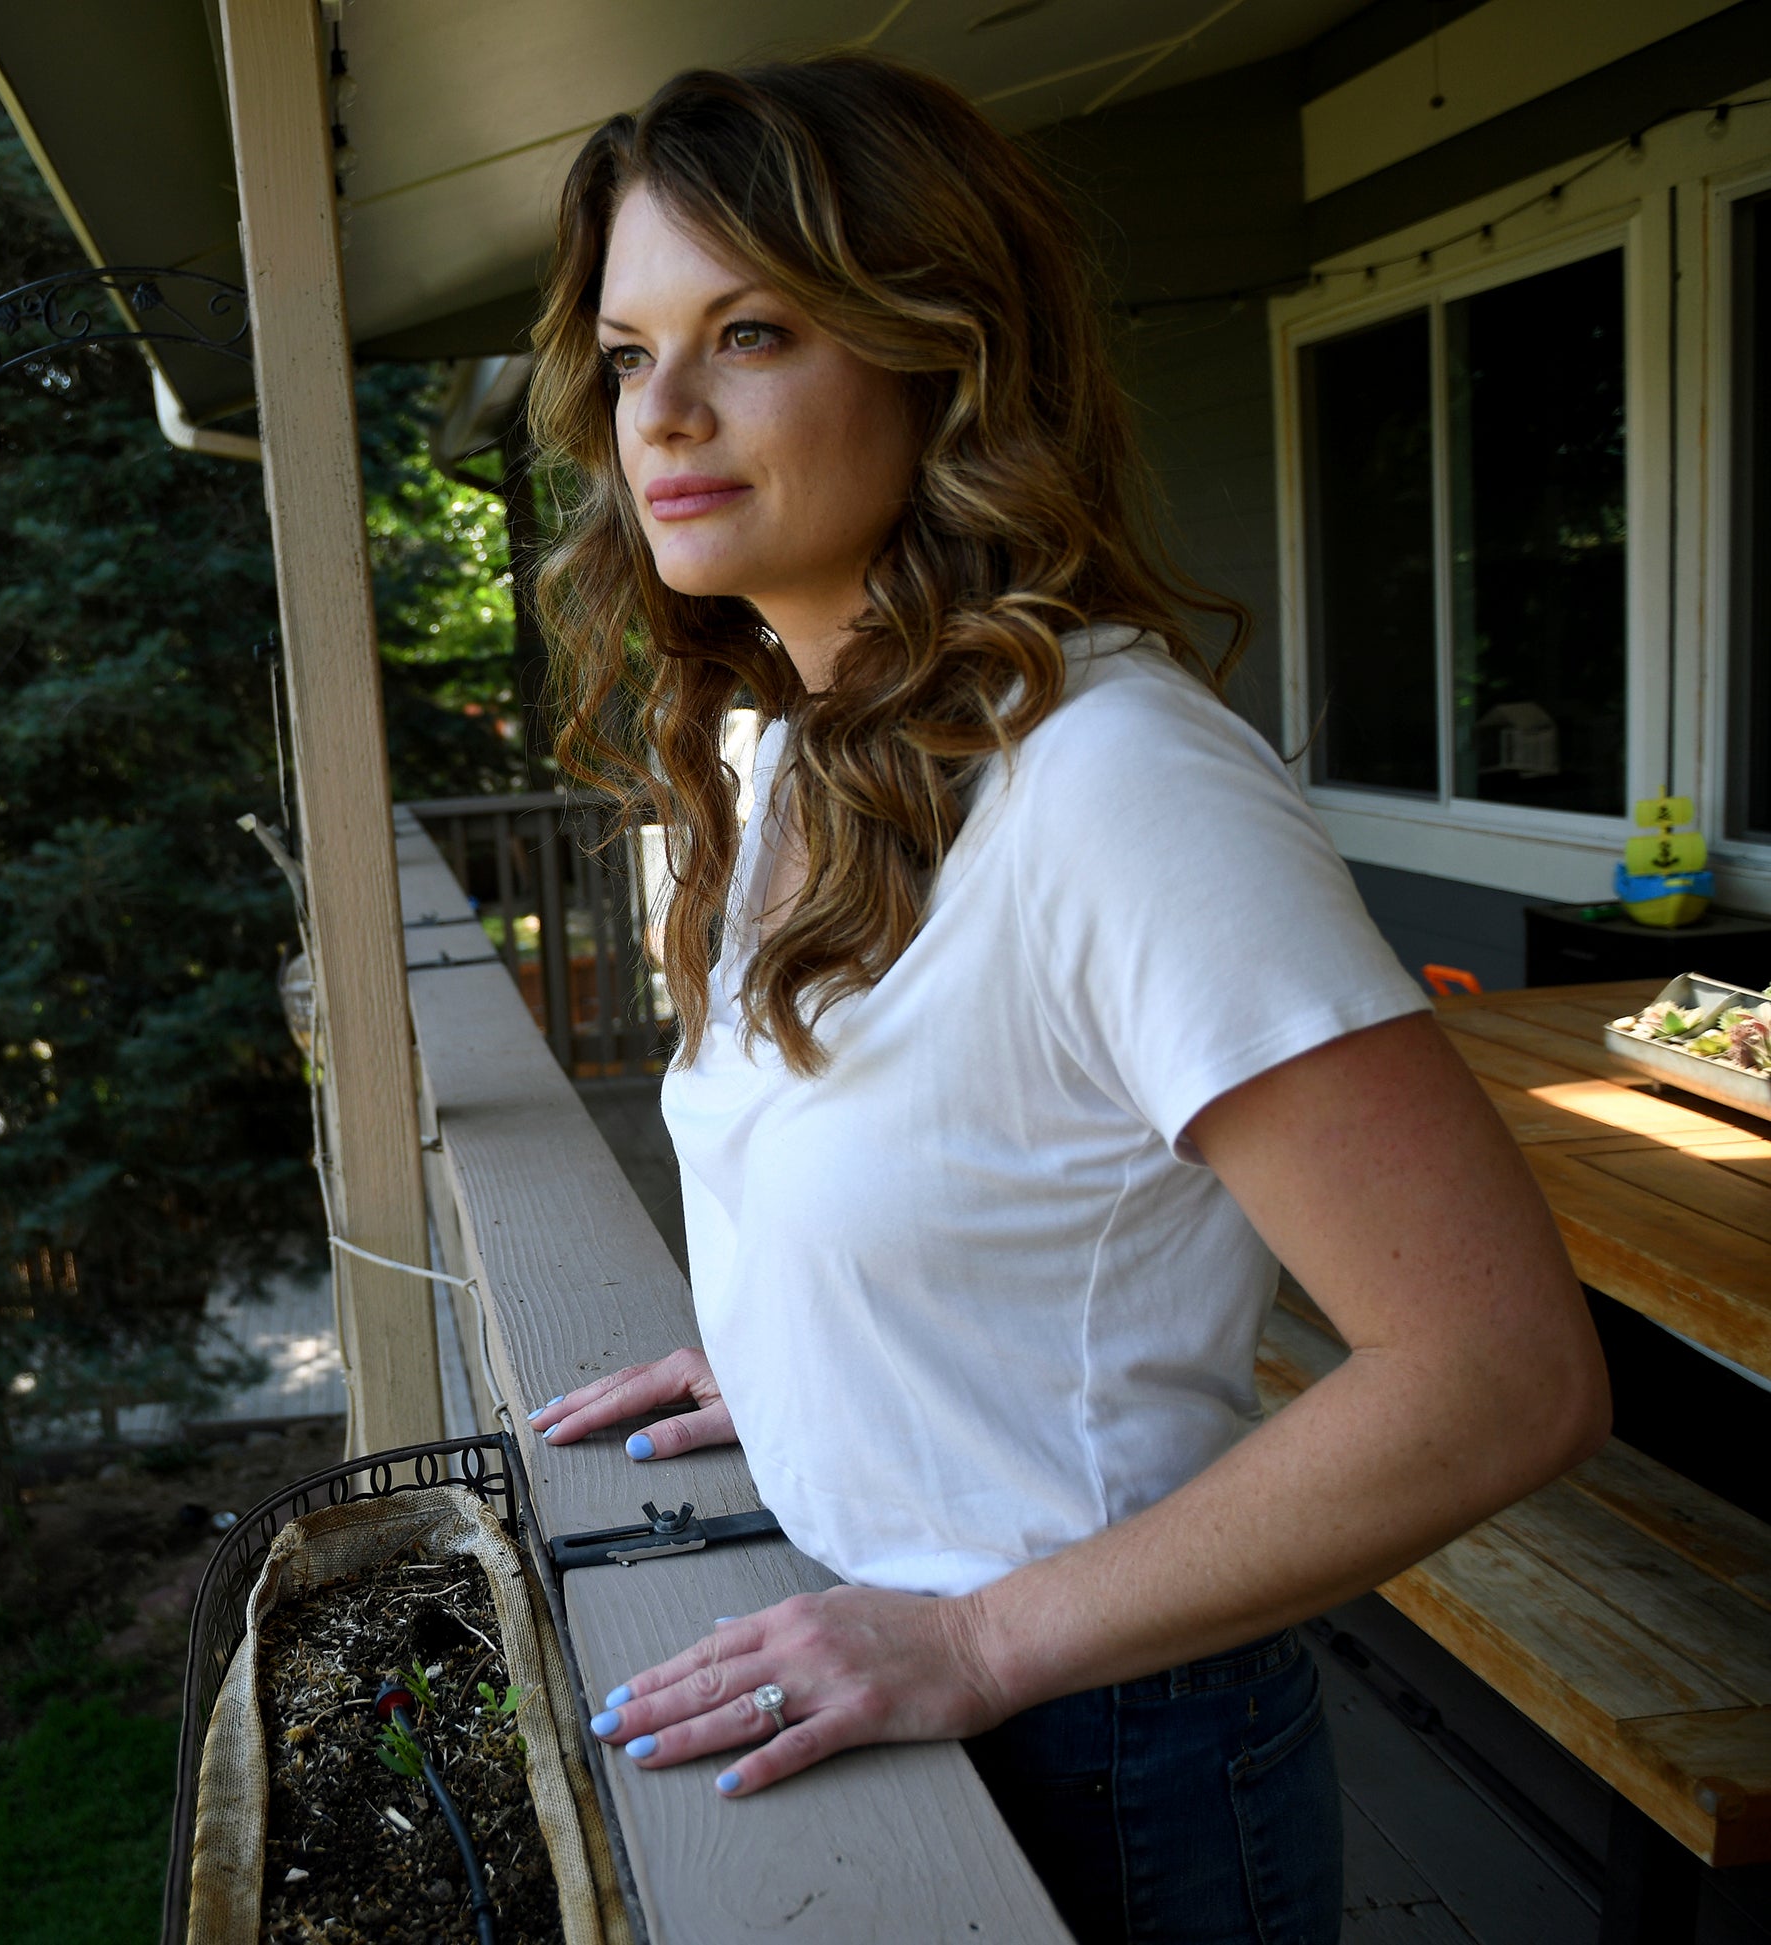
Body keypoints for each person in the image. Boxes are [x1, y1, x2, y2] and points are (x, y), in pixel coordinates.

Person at [516, 55, 1609, 1945]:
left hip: (1101, 1749)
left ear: (941, 353)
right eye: (626, 354)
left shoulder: (1115, 782)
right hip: (919, 1684)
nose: (664, 415)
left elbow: (1503, 1374)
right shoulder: (802, 753)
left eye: (750, 331)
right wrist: (822, 1329)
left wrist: (978, 1636)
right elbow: (975, 1160)